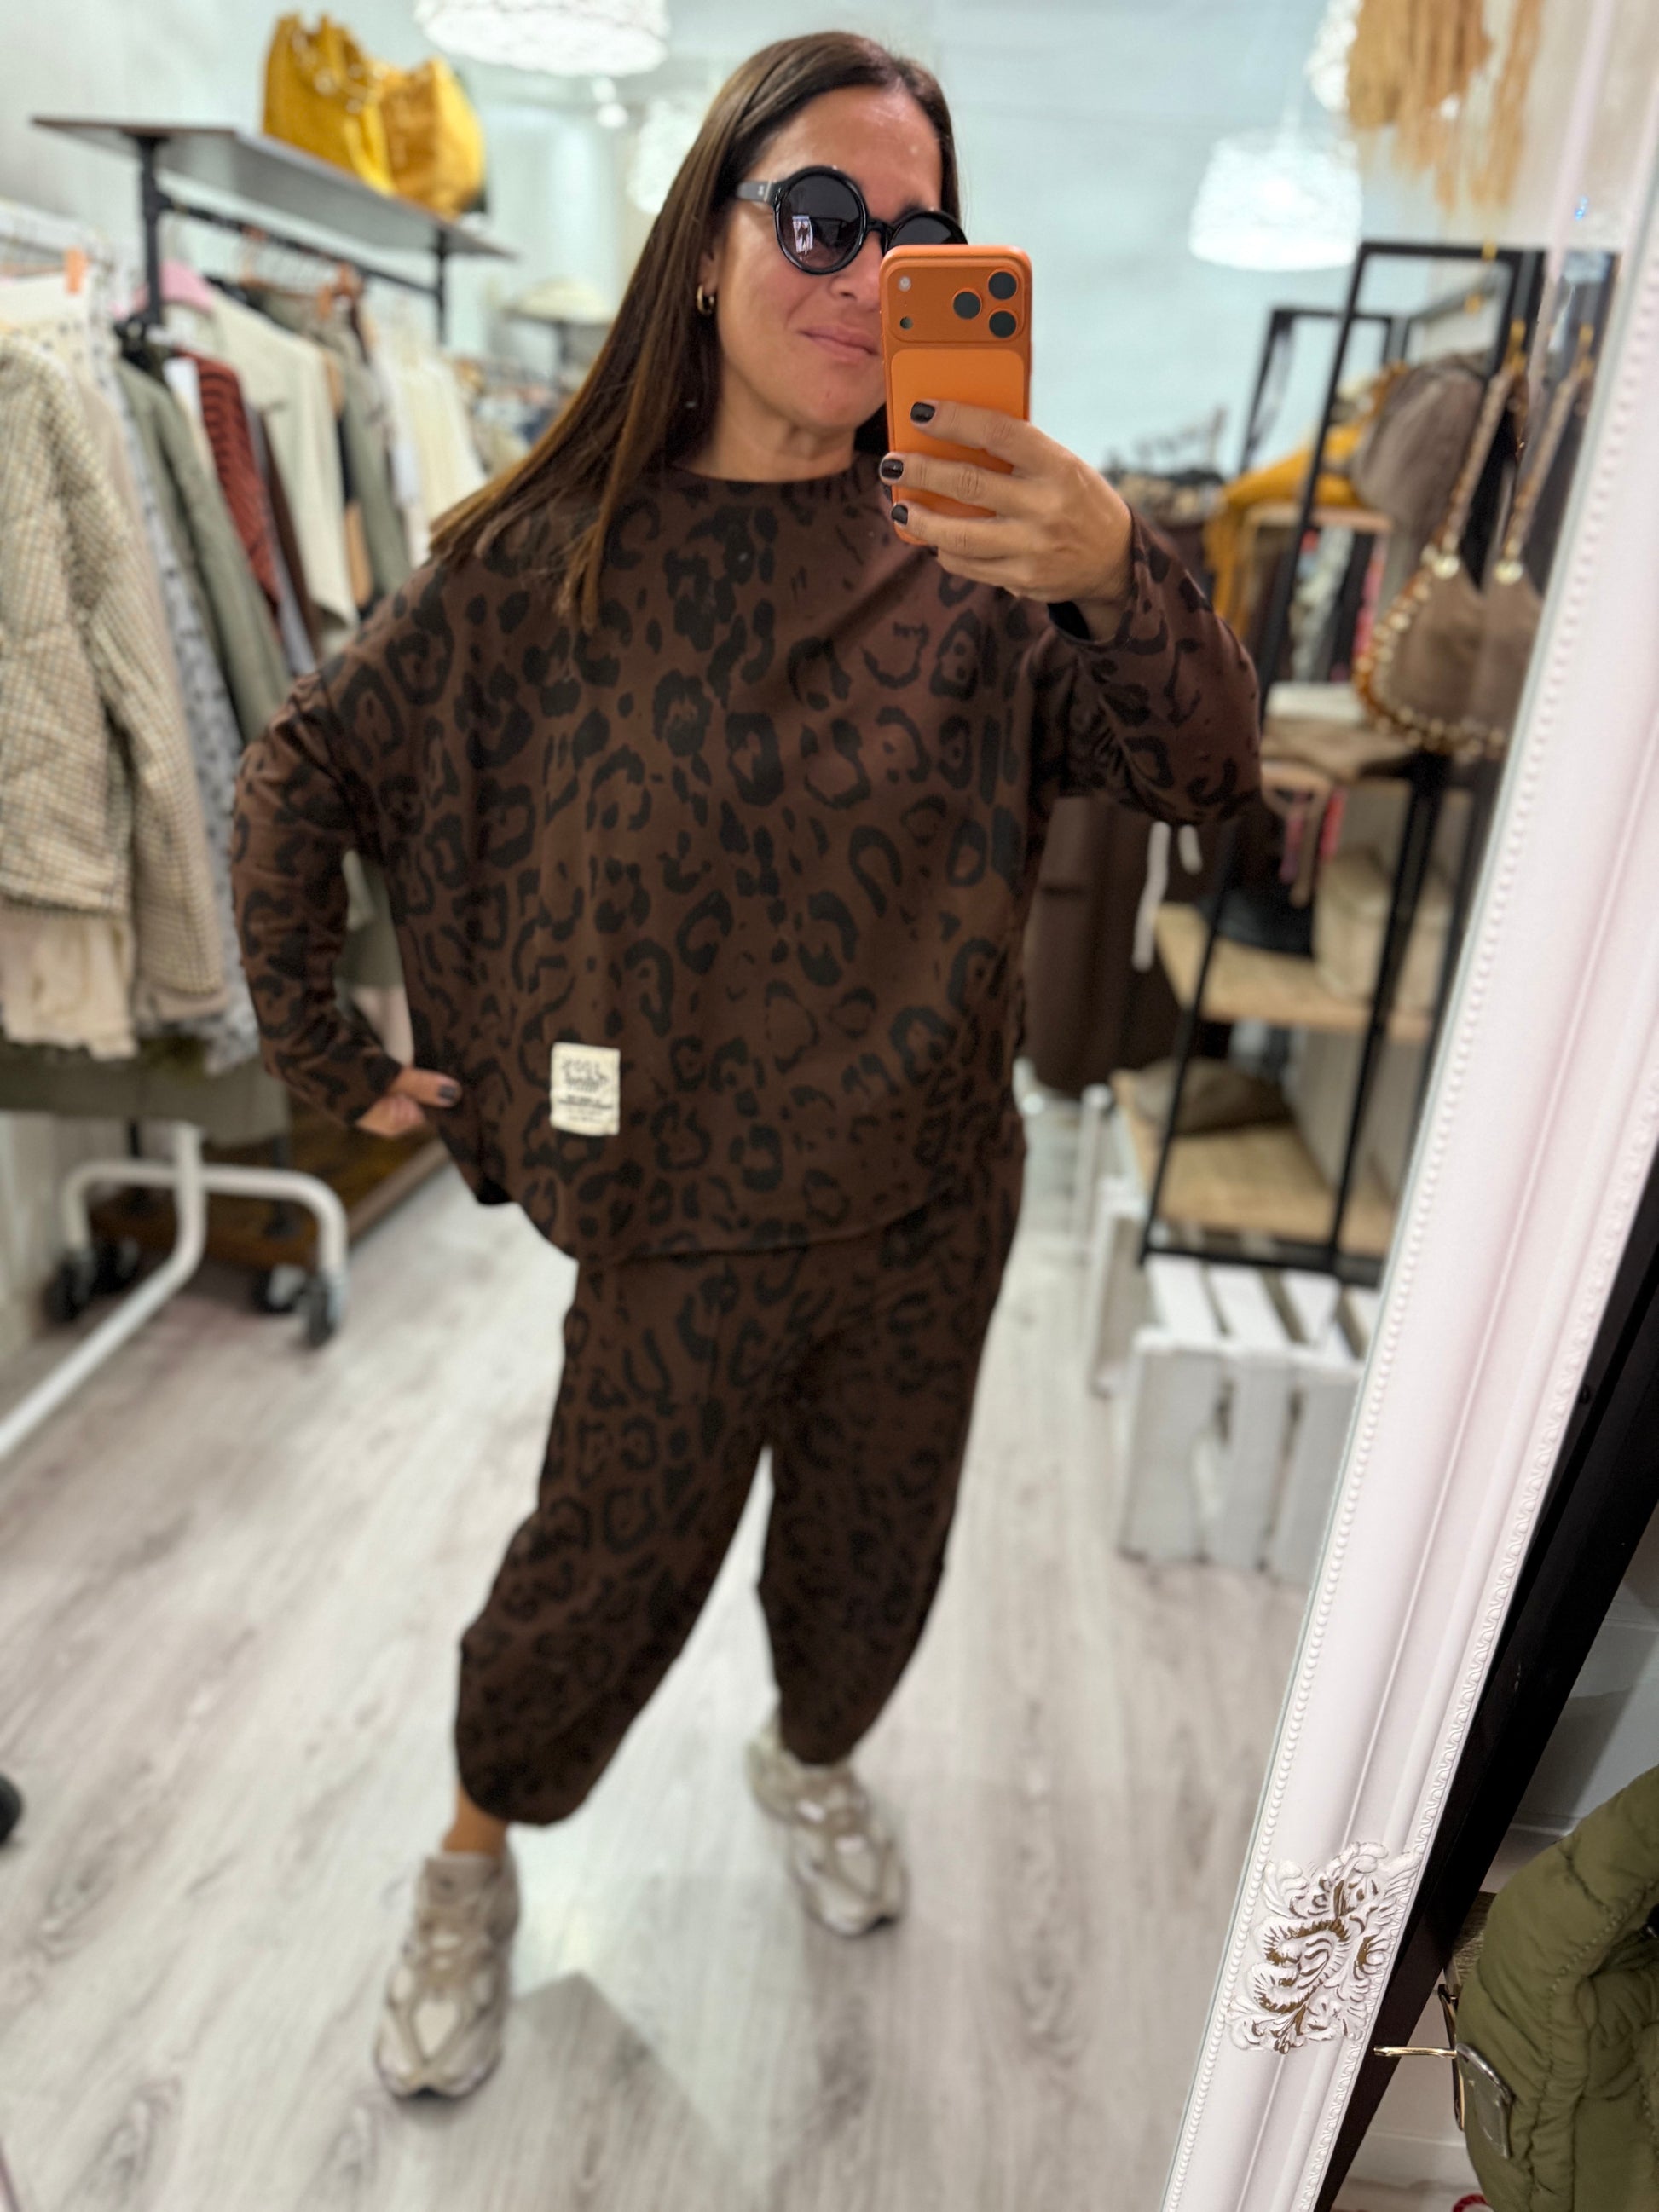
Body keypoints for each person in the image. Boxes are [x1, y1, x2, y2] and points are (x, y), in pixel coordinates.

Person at [231, 31, 1259, 2100]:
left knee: (872, 1561)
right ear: (705, 242)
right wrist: (325, 1042)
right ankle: (472, 1852)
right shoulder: (541, 559)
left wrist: (1114, 570)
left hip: (928, 1203)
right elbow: (304, 766)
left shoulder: (993, 558)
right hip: (678, 1220)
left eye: (918, 240)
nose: (866, 274)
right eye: (818, 218)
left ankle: (809, 1757)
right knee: (596, 1572)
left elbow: (1205, 771)